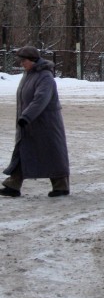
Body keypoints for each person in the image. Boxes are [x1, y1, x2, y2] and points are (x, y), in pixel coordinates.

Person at [2, 46, 71, 198]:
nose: (21, 63)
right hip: (29, 121)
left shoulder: (45, 77)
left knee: (52, 152)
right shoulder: (29, 74)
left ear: (32, 60)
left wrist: (26, 116)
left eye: (23, 60)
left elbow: (40, 99)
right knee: (22, 150)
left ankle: (61, 186)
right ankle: (13, 184)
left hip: (46, 123)